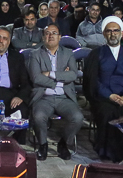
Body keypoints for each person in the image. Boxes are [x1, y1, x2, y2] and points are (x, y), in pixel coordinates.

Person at [82, 16, 123, 161]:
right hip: (105, 98)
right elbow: (93, 81)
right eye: (109, 31)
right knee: (107, 112)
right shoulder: (96, 54)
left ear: (121, 33)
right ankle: (107, 152)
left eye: (116, 31)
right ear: (104, 34)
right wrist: (109, 95)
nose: (112, 34)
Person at [29, 24, 83, 160]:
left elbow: (73, 75)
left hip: (64, 97)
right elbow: (36, 78)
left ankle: (63, 143)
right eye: (47, 33)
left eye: (54, 33)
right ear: (43, 37)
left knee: (78, 118)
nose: (51, 36)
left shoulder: (68, 53)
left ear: (59, 37)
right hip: (43, 97)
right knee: (38, 117)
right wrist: (59, 80)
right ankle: (43, 145)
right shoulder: (35, 54)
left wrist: (50, 74)